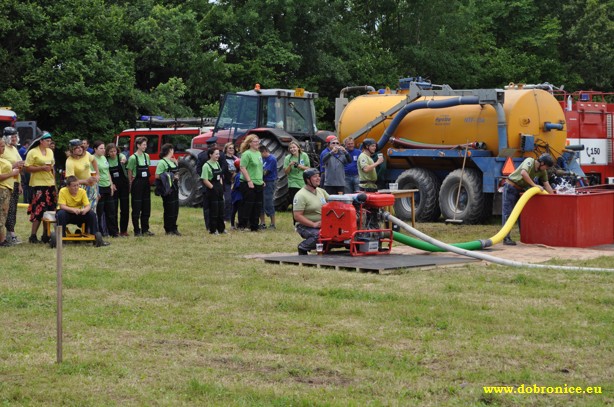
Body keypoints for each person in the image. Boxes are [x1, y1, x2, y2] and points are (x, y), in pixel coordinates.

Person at [502, 153, 555, 245]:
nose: (546, 169)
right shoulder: (529, 161)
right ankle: (506, 238)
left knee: (522, 214)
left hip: (522, 190)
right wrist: (535, 185)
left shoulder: (542, 171)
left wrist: (553, 198)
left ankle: (524, 237)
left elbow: (547, 185)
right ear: (542, 163)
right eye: (546, 167)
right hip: (511, 187)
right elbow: (523, 173)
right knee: (508, 213)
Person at [56, 175, 109, 247]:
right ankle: (61, 238)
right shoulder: (63, 191)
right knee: (60, 213)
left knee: (91, 214)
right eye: (74, 186)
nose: (76, 187)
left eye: (77, 185)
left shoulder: (82, 191)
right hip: (67, 213)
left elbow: (88, 206)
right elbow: (62, 206)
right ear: (68, 186)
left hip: (79, 213)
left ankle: (95, 236)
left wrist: (84, 210)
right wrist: (73, 209)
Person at [25, 132, 57, 243]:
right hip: (38, 184)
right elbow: (27, 168)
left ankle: (46, 234)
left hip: (50, 183)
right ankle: (33, 236)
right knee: (39, 210)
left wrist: (55, 183)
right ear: (41, 141)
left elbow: (52, 167)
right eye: (47, 141)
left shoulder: (50, 152)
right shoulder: (32, 152)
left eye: (50, 141)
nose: (49, 143)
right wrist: (41, 168)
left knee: (49, 211)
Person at [293, 168, 329, 255]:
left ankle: (326, 249)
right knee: (319, 235)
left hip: (323, 224)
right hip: (305, 226)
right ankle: (303, 247)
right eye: (315, 177)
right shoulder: (301, 195)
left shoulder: (321, 191)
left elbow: (332, 202)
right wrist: (313, 224)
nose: (318, 178)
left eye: (319, 176)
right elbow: (297, 216)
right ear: (307, 180)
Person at [1, 127, 25, 244]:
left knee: (13, 209)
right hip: (5, 182)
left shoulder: (14, 149)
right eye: (12, 137)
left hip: (15, 181)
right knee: (6, 209)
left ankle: (11, 234)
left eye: (16, 136)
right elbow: (3, 165)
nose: (15, 139)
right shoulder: (2, 149)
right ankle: (8, 235)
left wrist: (19, 183)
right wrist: (14, 164)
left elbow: (17, 167)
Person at [126, 137, 153, 236]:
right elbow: (129, 171)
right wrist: (130, 182)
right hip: (137, 184)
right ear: (138, 145)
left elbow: (148, 168)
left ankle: (145, 229)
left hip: (146, 184)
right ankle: (137, 230)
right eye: (143, 145)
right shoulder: (133, 158)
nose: (145, 146)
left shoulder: (147, 156)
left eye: (146, 145)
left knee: (146, 207)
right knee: (136, 207)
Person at [65, 139, 99, 212]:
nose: (80, 149)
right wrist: (85, 181)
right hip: (80, 187)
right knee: (84, 209)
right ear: (71, 150)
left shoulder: (87, 154)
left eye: (80, 147)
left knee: (93, 208)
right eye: (76, 148)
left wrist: (97, 174)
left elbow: (94, 160)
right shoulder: (69, 161)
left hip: (92, 184)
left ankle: (92, 223)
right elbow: (70, 179)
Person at [238, 134, 264, 231]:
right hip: (248, 182)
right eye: (255, 142)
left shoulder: (258, 153)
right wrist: (249, 180)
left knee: (257, 205)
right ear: (249, 143)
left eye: (258, 141)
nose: (257, 143)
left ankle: (254, 226)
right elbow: (242, 167)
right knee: (248, 205)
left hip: (259, 182)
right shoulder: (246, 154)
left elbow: (259, 168)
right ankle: (243, 225)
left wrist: (262, 180)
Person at [93, 140, 118, 237]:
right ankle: (101, 232)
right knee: (99, 212)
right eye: (101, 148)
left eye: (104, 148)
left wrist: (111, 185)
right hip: (99, 187)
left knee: (111, 211)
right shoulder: (92, 159)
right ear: (95, 149)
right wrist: (96, 190)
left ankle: (113, 232)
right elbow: (93, 175)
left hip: (107, 186)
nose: (103, 150)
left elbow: (107, 172)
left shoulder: (104, 158)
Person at [156, 143, 181, 235]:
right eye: (172, 149)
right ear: (170, 150)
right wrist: (171, 176)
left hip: (175, 187)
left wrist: (176, 164)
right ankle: (168, 229)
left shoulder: (172, 161)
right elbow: (157, 175)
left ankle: (174, 227)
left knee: (175, 208)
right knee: (169, 208)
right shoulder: (162, 162)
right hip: (167, 188)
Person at [200, 146, 226, 234]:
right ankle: (213, 229)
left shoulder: (217, 163)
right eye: (216, 154)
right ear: (210, 155)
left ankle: (221, 229)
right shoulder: (206, 166)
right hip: (211, 188)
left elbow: (220, 176)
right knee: (214, 210)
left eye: (218, 154)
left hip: (219, 187)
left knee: (221, 209)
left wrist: (221, 186)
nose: (218, 156)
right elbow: (205, 180)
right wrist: (213, 188)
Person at [106, 143, 130, 236]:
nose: (113, 153)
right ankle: (114, 230)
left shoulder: (121, 156)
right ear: (107, 152)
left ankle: (124, 230)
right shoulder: (106, 160)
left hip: (124, 185)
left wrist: (124, 160)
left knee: (125, 208)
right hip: (113, 187)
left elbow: (124, 158)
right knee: (113, 209)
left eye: (114, 151)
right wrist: (112, 184)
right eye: (111, 151)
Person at [283, 141, 310, 209]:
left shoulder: (304, 155)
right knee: (295, 202)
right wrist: (289, 165)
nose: (292, 149)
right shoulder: (287, 158)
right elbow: (286, 172)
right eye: (290, 148)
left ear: (298, 148)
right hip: (293, 182)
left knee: (304, 202)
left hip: (303, 182)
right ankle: (295, 218)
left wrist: (299, 166)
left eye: (294, 147)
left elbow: (308, 168)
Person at [259, 145, 277, 229]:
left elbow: (265, 172)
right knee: (260, 202)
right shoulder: (262, 158)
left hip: (269, 182)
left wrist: (256, 175)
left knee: (268, 202)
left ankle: (273, 223)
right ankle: (262, 223)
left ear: (265, 151)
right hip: (261, 182)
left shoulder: (271, 159)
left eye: (260, 153)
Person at [223, 142, 239, 222]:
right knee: (227, 199)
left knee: (234, 200)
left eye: (232, 148)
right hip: (226, 181)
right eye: (229, 148)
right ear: (226, 149)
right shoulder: (223, 158)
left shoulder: (236, 158)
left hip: (235, 181)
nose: (231, 149)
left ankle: (231, 217)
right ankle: (226, 217)